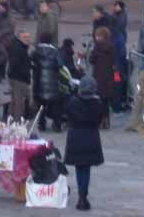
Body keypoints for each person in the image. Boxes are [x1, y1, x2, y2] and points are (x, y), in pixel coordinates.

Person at [64, 75, 105, 211]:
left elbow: (68, 115)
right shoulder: (98, 104)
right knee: (86, 169)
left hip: (75, 138)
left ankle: (82, 197)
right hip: (90, 138)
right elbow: (99, 120)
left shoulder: (72, 102)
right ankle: (83, 196)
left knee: (79, 168)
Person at [32, 32, 64, 132]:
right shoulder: (55, 51)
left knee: (41, 106)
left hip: (39, 82)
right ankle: (57, 125)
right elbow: (60, 64)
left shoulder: (35, 51)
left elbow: (32, 64)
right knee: (55, 105)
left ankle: (42, 125)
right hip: (53, 82)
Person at [89, 26, 114, 129]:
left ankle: (99, 120)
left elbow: (91, 60)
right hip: (108, 77)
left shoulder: (97, 47)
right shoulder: (111, 47)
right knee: (106, 101)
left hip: (98, 77)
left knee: (98, 100)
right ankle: (106, 119)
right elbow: (113, 61)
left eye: (97, 35)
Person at [7, 29, 32, 120]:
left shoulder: (19, 46)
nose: (27, 39)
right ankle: (17, 122)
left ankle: (12, 119)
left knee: (14, 101)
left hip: (15, 77)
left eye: (28, 37)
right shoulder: (18, 48)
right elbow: (16, 64)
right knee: (18, 102)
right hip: (19, 79)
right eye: (25, 37)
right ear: (19, 38)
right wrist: (25, 73)